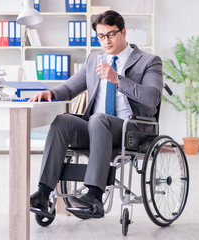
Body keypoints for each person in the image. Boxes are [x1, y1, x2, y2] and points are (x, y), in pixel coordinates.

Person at [29, 10, 163, 218]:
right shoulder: (94, 60)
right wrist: (51, 92)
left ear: (123, 32)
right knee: (62, 121)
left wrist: (117, 79)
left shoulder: (149, 61)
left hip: (130, 130)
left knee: (99, 119)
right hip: (95, 129)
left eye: (110, 34)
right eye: (101, 36)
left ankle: (94, 196)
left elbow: (152, 97)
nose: (105, 40)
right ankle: (44, 193)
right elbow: (70, 87)